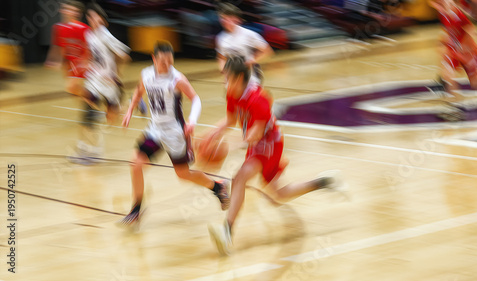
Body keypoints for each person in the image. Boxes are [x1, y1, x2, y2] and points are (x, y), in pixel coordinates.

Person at [207, 57, 345, 255]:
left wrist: (226, 147)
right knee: (279, 194)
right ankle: (324, 181)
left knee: (239, 178)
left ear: (237, 79)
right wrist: (214, 133)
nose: (223, 82)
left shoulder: (259, 99)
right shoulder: (232, 94)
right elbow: (230, 119)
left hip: (270, 143)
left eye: (226, 78)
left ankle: (226, 232)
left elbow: (254, 135)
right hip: (259, 145)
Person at [120, 42, 230, 227]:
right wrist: (130, 109)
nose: (167, 65)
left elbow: (195, 99)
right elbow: (139, 91)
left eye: (170, 61)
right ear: (154, 59)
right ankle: (137, 209)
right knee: (136, 164)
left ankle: (218, 186)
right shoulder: (146, 74)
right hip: (155, 130)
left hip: (175, 132)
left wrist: (192, 121)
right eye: (163, 62)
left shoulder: (177, 78)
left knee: (183, 174)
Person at [70, 3, 131, 163]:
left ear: (101, 18)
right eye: (89, 16)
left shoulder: (105, 35)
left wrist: (116, 75)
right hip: (94, 82)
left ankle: (127, 105)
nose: (92, 19)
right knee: (87, 115)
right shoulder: (90, 35)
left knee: (110, 119)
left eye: (95, 16)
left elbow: (124, 56)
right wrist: (84, 64)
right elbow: (91, 56)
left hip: (108, 85)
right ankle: (85, 150)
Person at [216, 3, 273, 84]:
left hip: (251, 79)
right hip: (232, 81)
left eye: (227, 18)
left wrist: (251, 61)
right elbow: (221, 57)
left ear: (235, 19)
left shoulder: (249, 34)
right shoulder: (221, 37)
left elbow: (267, 51)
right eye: (222, 18)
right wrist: (223, 70)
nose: (224, 21)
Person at [44, 0, 89, 99]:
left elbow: (89, 46)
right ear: (62, 10)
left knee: (71, 87)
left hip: (80, 62)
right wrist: (56, 61)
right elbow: (59, 46)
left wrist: (86, 61)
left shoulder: (82, 28)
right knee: (73, 89)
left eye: (73, 10)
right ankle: (91, 102)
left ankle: (93, 101)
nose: (69, 12)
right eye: (67, 9)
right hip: (69, 63)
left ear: (77, 13)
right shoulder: (58, 28)